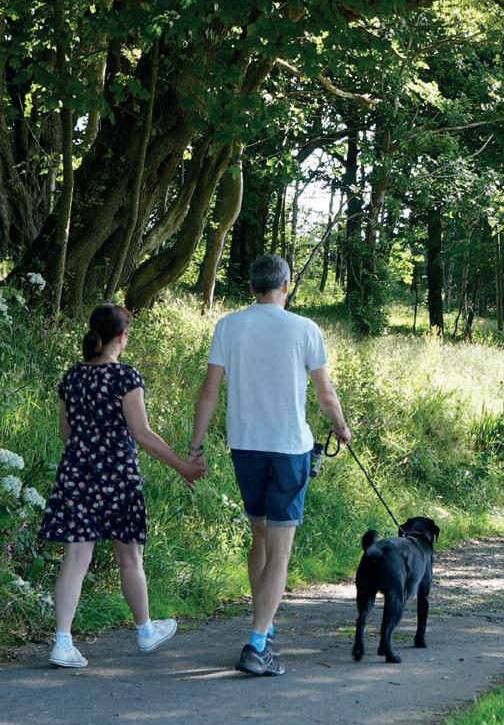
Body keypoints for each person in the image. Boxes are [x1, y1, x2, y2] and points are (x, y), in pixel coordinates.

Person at [188, 255, 351, 677]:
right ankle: (257, 643)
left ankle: (265, 622)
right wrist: (341, 428)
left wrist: (196, 446)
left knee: (259, 536)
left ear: (251, 287)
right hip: (289, 449)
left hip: (245, 446)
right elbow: (326, 394)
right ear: (286, 286)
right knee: (280, 548)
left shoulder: (228, 326)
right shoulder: (305, 329)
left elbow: (209, 392)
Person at [41, 303, 206, 669]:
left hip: (77, 473)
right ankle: (145, 631)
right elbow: (142, 434)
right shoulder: (125, 377)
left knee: (75, 559)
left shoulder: (72, 377)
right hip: (118, 475)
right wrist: (182, 466)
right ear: (121, 336)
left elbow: (65, 433)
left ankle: (62, 642)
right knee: (129, 558)